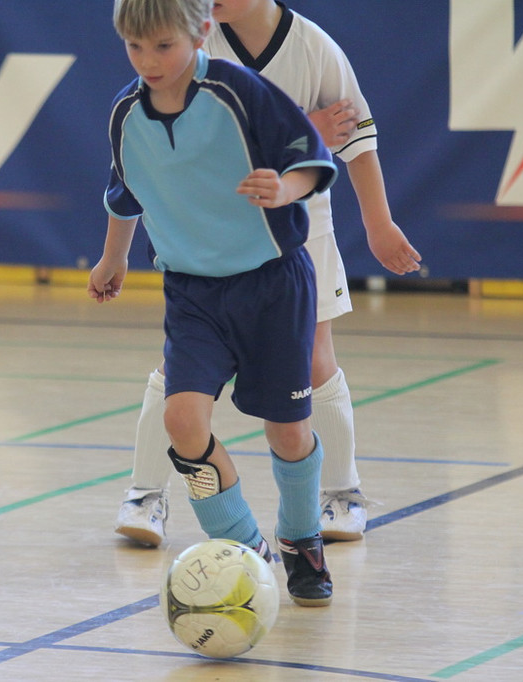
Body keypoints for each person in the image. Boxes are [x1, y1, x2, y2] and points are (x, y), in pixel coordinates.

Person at [114, 0, 422, 548]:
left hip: (297, 231)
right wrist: (307, 129)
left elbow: (354, 143)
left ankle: (341, 493)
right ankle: (146, 494)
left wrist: (378, 224)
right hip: (210, 236)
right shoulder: (190, 40)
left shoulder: (315, 48)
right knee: (178, 375)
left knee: (315, 361)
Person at [91, 0, 338, 606]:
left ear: (201, 33)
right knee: (182, 422)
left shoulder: (239, 92)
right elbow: (126, 193)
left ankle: (302, 538)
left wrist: (284, 187)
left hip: (272, 285)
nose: (149, 62)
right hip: (192, 292)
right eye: (135, 48)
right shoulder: (126, 112)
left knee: (288, 432)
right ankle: (243, 552)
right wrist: (113, 258)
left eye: (164, 47)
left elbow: (311, 157)